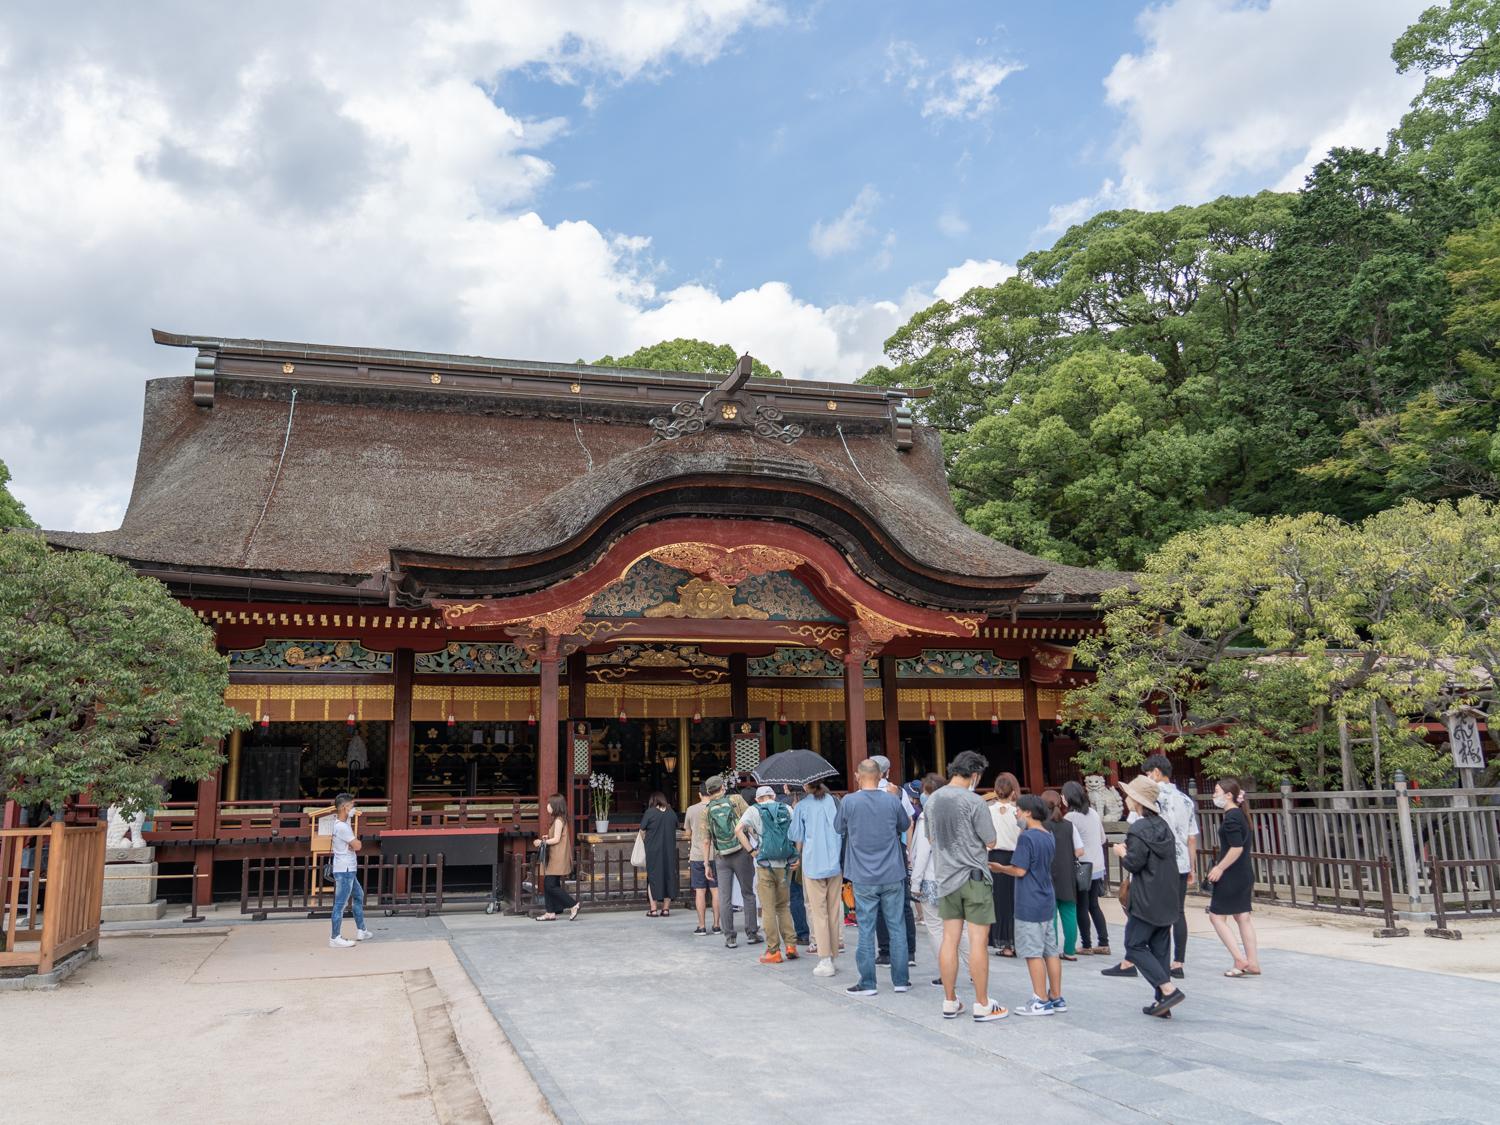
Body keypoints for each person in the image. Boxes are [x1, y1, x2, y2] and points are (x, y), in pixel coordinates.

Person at [925, 750, 1007, 1022]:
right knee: (978, 943)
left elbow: (931, 838)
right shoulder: (974, 802)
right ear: (975, 775)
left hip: (946, 878)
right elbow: (991, 840)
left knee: (949, 939)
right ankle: (982, 1003)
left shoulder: (932, 800)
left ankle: (950, 1000)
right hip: (974, 878)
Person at [1102, 754, 1198, 979]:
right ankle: (1177, 962)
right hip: (1180, 861)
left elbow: (1139, 826)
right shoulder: (1185, 799)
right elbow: (1192, 836)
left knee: (1140, 911)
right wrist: (1192, 866)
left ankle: (1132, 958)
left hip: (1153, 863)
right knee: (1177, 912)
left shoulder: (1149, 796)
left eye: (1147, 773)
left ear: (1155, 772)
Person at [835, 758, 911, 997]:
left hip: (863, 874)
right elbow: (904, 824)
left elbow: (839, 828)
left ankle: (868, 982)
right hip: (892, 873)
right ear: (880, 776)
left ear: (858, 776)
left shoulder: (849, 801)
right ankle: (901, 980)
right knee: (896, 926)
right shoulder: (891, 800)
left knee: (866, 928)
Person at [1114, 776, 1185, 1018]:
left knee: (1134, 945)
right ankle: (1162, 1003)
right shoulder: (1163, 826)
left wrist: (1121, 852)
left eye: (1129, 795)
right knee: (1160, 949)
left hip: (1146, 897)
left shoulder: (1138, 828)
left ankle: (1168, 989)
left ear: (1137, 800)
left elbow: (1134, 864)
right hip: (1167, 894)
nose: (1126, 798)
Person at [995, 794, 1064, 1016]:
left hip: (1029, 899)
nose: (1016, 813)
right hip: (1046, 897)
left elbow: (1020, 870)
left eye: (1019, 810)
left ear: (1028, 813)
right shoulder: (1048, 834)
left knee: (1033, 952)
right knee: (1050, 950)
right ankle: (1055, 995)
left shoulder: (1027, 837)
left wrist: (1000, 868)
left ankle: (1040, 999)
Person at [910, 771, 970, 986]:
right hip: (956, 877)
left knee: (936, 928)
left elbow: (923, 854)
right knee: (960, 928)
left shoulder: (928, 816)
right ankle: (975, 967)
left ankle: (946, 971)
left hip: (933, 878)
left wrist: (915, 882)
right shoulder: (958, 813)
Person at [737, 785, 799, 963]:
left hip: (764, 864)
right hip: (785, 864)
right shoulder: (787, 809)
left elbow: (738, 830)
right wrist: (796, 855)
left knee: (768, 908)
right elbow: (796, 833)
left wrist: (751, 851)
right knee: (783, 906)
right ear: (773, 796)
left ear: (758, 799)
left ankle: (773, 950)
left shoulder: (753, 810)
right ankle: (790, 945)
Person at [789, 776, 844, 977]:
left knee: (818, 911)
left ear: (806, 785)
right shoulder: (834, 801)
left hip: (813, 863)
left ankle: (825, 958)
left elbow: (796, 835)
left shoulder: (802, 805)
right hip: (835, 862)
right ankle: (833, 953)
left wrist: (796, 810)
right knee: (834, 909)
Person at [1206, 778, 1261, 977]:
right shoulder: (1241, 815)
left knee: (1216, 916)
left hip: (1231, 873)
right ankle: (1253, 962)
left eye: (1217, 791)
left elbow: (1236, 848)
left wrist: (1220, 868)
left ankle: (1239, 957)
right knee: (1242, 916)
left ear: (1228, 795)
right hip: (1244, 872)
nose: (1214, 794)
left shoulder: (1231, 818)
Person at [870, 754, 918, 969]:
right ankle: (909, 951)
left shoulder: (863, 793)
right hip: (896, 849)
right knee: (903, 900)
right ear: (887, 772)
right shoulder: (898, 792)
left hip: (872, 851)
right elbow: (908, 822)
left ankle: (886, 951)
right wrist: (907, 849)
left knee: (879, 900)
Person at [704, 775, 759, 948]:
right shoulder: (736, 800)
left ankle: (730, 937)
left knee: (724, 897)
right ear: (722, 787)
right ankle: (751, 933)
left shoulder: (706, 810)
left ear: (708, 791)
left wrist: (706, 863)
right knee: (748, 893)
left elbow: (706, 840)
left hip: (721, 856)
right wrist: (753, 842)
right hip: (742, 852)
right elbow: (750, 821)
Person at [1063, 779, 1110, 956]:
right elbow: (1103, 839)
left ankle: (1087, 944)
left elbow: (1071, 845)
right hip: (1097, 865)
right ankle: (1104, 942)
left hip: (1082, 866)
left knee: (1081, 906)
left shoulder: (1070, 818)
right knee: (1094, 905)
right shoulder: (1093, 813)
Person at [1041, 789, 1082, 961]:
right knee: (1070, 913)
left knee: (1051, 915)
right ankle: (1070, 951)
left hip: (1047, 873)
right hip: (1067, 874)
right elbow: (1079, 851)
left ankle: (1051, 950)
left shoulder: (1041, 826)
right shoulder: (1069, 825)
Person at [327, 792, 372, 948]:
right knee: (340, 903)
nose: (354, 808)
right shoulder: (342, 827)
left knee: (358, 895)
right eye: (352, 805)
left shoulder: (342, 824)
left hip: (347, 868)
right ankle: (335, 937)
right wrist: (355, 843)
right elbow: (357, 846)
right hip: (345, 868)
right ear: (345, 807)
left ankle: (362, 929)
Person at [986, 773, 1021, 957]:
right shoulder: (1019, 812)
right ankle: (1016, 941)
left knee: (998, 901)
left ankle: (1002, 941)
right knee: (1014, 901)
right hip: (1015, 857)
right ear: (1013, 792)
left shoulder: (988, 811)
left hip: (993, 857)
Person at [535, 794, 580, 922]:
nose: (547, 806)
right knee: (551, 883)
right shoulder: (559, 819)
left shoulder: (559, 820)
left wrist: (542, 842)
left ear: (555, 805)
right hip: (556, 855)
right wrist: (546, 838)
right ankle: (550, 912)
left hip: (557, 857)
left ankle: (573, 904)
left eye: (549, 804)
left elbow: (556, 839)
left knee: (549, 884)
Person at [684, 780, 721, 936]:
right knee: (716, 891)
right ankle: (717, 925)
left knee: (700, 891)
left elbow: (687, 832)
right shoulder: (718, 807)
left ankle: (701, 926)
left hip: (698, 855)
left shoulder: (691, 810)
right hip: (716, 854)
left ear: (699, 794)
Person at [639, 791, 679, 917]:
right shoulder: (671, 813)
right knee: (669, 876)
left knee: (653, 877)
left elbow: (642, 830)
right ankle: (666, 909)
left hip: (653, 850)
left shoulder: (650, 812)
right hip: (669, 850)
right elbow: (677, 826)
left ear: (653, 800)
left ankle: (653, 909)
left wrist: (647, 841)